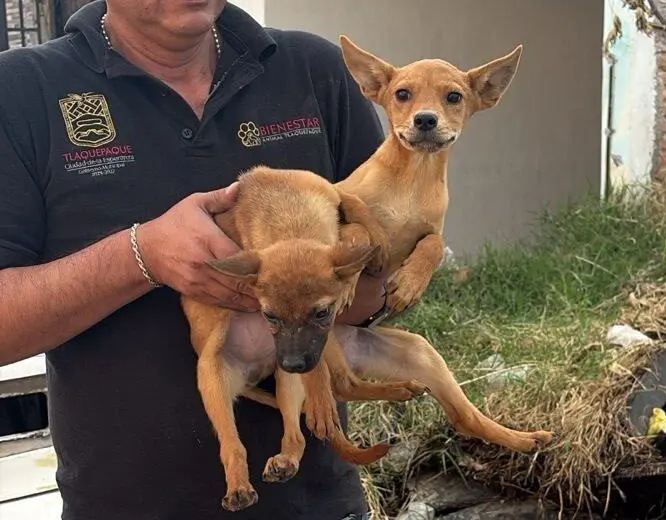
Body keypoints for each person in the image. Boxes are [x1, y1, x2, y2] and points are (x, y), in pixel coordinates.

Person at [0, 0, 390, 518]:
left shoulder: (316, 71)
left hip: (318, 505)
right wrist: (140, 256)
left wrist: (354, 274)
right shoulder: (22, 91)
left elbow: (382, 287)